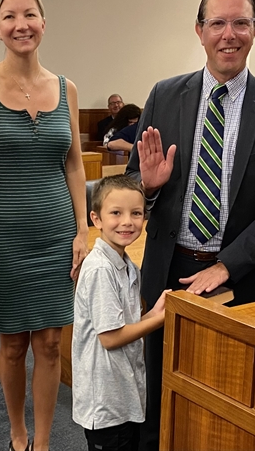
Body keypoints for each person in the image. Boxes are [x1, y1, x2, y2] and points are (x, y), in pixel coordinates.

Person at [125, 0, 255, 450]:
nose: (230, 33)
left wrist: (228, 265)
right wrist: (147, 186)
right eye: (218, 23)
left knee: (226, 395)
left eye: (240, 23)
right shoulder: (165, 96)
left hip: (236, 276)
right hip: (168, 267)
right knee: (157, 394)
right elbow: (128, 190)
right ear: (200, 31)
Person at [0, 0, 88, 451]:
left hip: (57, 231)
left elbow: (75, 164)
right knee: (15, 342)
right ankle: (17, 432)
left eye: (30, 14)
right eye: (10, 16)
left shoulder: (67, 88)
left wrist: (83, 230)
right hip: (2, 235)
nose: (22, 24)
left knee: (52, 343)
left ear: (43, 22)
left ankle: (42, 442)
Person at [72, 175, 168, 451]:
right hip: (106, 403)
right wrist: (158, 320)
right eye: (116, 213)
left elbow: (128, 324)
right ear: (96, 218)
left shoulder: (126, 265)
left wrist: (157, 311)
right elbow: (111, 337)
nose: (127, 221)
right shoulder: (101, 269)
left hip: (124, 395)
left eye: (136, 213)